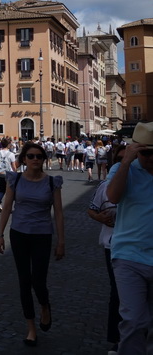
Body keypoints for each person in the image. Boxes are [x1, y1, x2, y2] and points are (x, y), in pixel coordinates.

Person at [0, 141, 64, 347]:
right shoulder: (15, 180)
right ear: (24, 159)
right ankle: (31, 328)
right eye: (31, 156)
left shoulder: (52, 183)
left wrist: (61, 241)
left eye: (39, 156)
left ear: (44, 159)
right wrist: (0, 234)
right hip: (19, 234)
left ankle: (44, 305)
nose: (35, 159)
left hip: (42, 235)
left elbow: (59, 213)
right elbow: (7, 207)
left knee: (39, 281)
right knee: (24, 281)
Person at [105, 122, 153, 354]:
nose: (151, 158)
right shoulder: (123, 169)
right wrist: (126, 161)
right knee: (134, 321)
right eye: (146, 153)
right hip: (129, 256)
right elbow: (113, 197)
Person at [87, 143, 126, 354]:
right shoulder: (105, 186)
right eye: (119, 159)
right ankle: (117, 338)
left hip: (141, 247)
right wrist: (100, 217)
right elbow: (92, 210)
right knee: (118, 293)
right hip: (112, 245)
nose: (124, 163)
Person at [0, 137, 17, 213]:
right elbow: (13, 166)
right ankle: (10, 207)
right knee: (11, 191)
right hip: (9, 174)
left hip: (0, 174)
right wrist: (16, 174)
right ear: (8, 145)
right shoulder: (11, 154)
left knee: (2, 190)